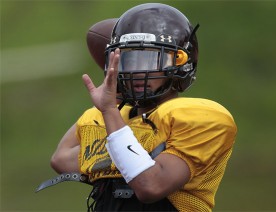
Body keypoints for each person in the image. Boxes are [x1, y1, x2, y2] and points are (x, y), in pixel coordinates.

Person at [50, 3, 237, 211]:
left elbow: (150, 186)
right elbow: (61, 158)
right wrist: (112, 105)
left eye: (150, 59)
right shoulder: (120, 118)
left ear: (180, 63)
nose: (137, 71)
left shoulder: (200, 118)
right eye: (128, 60)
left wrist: (110, 112)